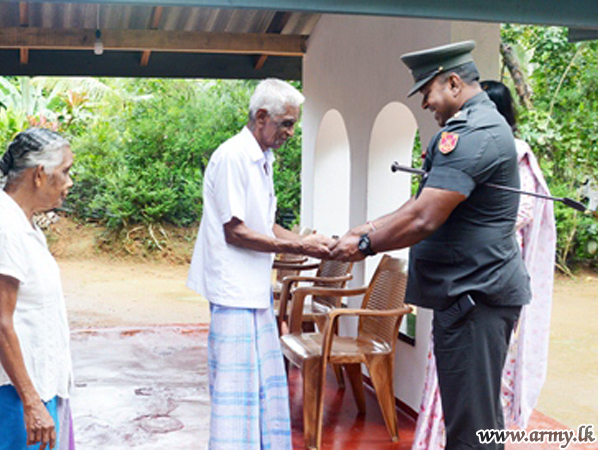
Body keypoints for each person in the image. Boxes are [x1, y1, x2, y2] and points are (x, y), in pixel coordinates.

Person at [330, 41, 531, 449]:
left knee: (471, 429)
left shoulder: (473, 134)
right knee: (474, 418)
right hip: (469, 296)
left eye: (427, 91)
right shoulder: (474, 128)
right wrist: (367, 228)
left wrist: (365, 245)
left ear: (454, 83)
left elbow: (424, 218)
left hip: (475, 298)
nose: (424, 103)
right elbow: (419, 204)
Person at [187, 78, 333, 450]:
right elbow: (235, 231)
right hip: (233, 292)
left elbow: (264, 226)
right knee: (235, 391)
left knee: (263, 385)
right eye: (286, 123)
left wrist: (310, 244)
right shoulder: (233, 157)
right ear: (262, 116)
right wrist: (299, 244)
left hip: (253, 291)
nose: (291, 132)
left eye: (293, 124)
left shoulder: (261, 159)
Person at [412, 80, 557, 448]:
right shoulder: (472, 147)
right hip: (461, 287)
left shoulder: (508, 152)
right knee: (467, 403)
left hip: (483, 282)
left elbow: (516, 213)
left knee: (478, 406)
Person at [0, 128, 76, 450]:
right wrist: (31, 403)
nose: (69, 182)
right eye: (65, 172)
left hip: (35, 382)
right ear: (39, 174)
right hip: (15, 393)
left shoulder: (21, 223)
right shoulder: (5, 230)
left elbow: (4, 300)